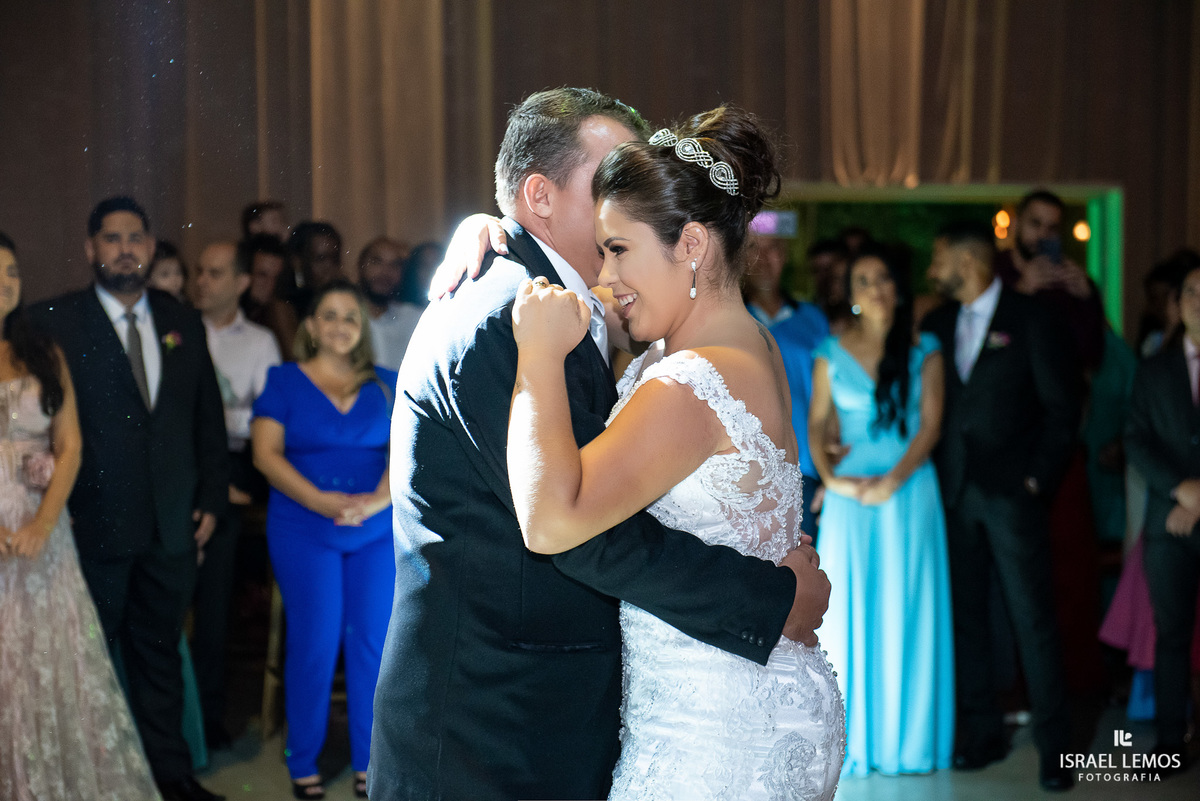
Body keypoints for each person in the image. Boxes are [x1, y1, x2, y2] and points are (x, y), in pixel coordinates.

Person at [370, 88, 832, 801]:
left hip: (679, 712)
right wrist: (768, 597)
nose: (621, 195)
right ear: (540, 196)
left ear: (690, 241)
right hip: (491, 727)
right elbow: (583, 532)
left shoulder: (617, 331)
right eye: (608, 177)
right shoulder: (507, 313)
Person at [506, 105, 844, 799]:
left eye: (618, 249)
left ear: (691, 242)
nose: (602, 276)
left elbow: (549, 520)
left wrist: (536, 358)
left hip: (716, 728)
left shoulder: (689, 380)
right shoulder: (750, 344)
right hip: (755, 687)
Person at [28, 196, 229, 801]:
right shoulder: (54, 321)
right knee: (85, 661)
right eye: (110, 239)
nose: (124, 249)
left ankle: (169, 777)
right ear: (91, 250)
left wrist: (212, 500)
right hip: (91, 524)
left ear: (150, 245)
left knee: (160, 657)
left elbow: (205, 422)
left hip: (170, 527)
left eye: (134, 237)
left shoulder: (180, 319)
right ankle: (89, 782)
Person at [0, 231, 161, 800]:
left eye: (13, 274)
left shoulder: (42, 350)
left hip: (40, 533)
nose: (5, 284)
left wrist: (43, 523)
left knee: (47, 656)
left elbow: (69, 444)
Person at [921, 219, 1077, 791]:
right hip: (954, 496)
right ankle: (980, 734)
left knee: (1032, 620)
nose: (933, 270)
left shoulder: (1031, 318)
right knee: (967, 620)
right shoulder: (935, 324)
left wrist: (1037, 480)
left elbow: (1064, 409)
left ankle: (1057, 748)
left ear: (969, 260)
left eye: (939, 258)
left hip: (1014, 497)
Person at [808, 246, 954, 776]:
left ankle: (909, 743)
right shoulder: (829, 350)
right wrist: (834, 481)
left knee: (907, 605)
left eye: (884, 278)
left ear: (898, 287)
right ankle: (855, 741)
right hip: (849, 500)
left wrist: (891, 482)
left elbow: (931, 426)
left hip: (909, 491)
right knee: (848, 612)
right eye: (863, 280)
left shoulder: (926, 347)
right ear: (849, 295)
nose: (876, 289)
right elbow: (819, 424)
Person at [252, 280, 396, 799]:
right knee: (314, 643)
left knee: (372, 645)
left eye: (351, 317)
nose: (340, 325)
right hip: (303, 526)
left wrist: (376, 501)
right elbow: (265, 455)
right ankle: (302, 758)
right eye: (329, 315)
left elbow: (408, 450)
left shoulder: (387, 383)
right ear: (311, 326)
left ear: (363, 329)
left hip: (376, 528)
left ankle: (369, 761)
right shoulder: (284, 381)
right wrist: (320, 502)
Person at [191, 241, 282, 749]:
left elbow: (263, 421)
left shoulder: (261, 341)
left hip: (237, 468)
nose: (201, 281)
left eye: (215, 272)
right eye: (199, 271)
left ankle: (208, 716)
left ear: (242, 283)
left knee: (215, 603)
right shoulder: (177, 330)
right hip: (188, 468)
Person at [1124, 258, 1200, 778]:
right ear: (1179, 302)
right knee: (1172, 635)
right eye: (1192, 291)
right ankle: (1171, 745)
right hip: (1168, 524)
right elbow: (1135, 439)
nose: (1198, 299)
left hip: (1186, 511)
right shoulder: (1154, 367)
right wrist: (1180, 490)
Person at [356, 236, 423, 371]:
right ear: (361, 266)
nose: (385, 272)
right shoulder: (341, 319)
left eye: (395, 265)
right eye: (376, 262)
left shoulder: (415, 319)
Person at [239, 234, 299, 360]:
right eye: (262, 275)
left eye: (276, 278)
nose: (270, 285)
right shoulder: (232, 312)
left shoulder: (281, 311)